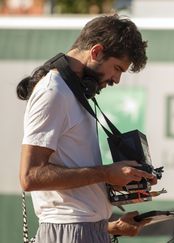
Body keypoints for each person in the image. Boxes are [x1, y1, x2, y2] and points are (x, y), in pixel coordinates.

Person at [17, 14, 157, 242]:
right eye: (117, 68)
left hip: (87, 230)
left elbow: (73, 196)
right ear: (96, 51)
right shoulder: (53, 92)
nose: (117, 79)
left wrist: (110, 226)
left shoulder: (71, 92)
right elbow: (30, 177)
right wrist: (106, 173)